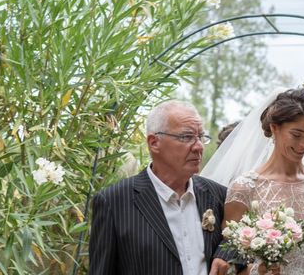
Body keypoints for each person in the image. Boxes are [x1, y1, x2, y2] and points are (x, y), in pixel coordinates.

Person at [205, 88, 304, 275]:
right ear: (275, 128)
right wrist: (259, 270)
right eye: (296, 135)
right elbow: (231, 267)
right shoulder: (244, 189)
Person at [88, 100, 231, 275]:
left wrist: (225, 253)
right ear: (154, 142)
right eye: (186, 137)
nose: (198, 146)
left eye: (200, 137)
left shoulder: (219, 195)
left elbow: (236, 243)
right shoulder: (114, 202)